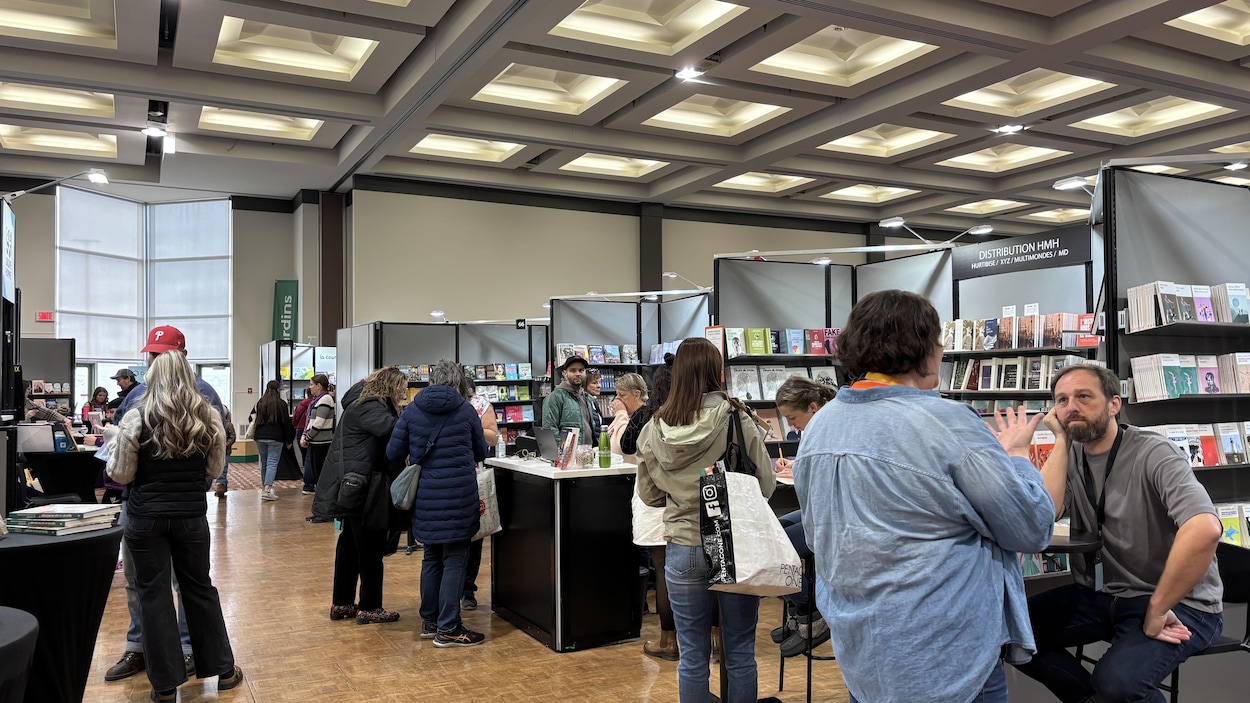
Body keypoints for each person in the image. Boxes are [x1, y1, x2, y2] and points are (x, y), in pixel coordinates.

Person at [793, 289, 1054, 703]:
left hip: (864, 647)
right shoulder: (945, 421)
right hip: (947, 652)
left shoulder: (820, 426)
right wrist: (1019, 459)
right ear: (922, 348)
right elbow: (1031, 526)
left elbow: (818, 534)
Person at [1013, 363, 1224, 703]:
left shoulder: (1154, 452)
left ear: (1114, 404)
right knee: (1010, 633)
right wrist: (1062, 439)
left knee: (1119, 685)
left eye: (1083, 397)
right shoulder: (1072, 454)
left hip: (1178, 602)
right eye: (1062, 400)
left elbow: (1205, 528)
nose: (1071, 408)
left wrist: (1157, 608)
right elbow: (1046, 513)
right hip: (1105, 595)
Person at [635, 338, 775, 702]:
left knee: (692, 654)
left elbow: (649, 496)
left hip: (682, 544)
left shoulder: (653, 427)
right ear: (717, 370)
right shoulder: (736, 417)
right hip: (730, 542)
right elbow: (766, 484)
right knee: (740, 650)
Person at [105, 351, 243, 702]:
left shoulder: (137, 417)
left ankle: (165, 687)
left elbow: (120, 474)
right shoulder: (208, 417)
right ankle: (224, 670)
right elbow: (214, 471)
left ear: (152, 377)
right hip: (191, 518)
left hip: (146, 519)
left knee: (154, 594)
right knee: (199, 588)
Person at [386, 360, 488, 647]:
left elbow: (393, 451)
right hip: (459, 496)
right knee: (456, 558)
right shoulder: (467, 411)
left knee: (431, 557)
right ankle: (450, 628)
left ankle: (429, 622)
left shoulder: (412, 410)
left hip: (426, 497)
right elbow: (481, 450)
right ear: (459, 383)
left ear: (431, 381)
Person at [314, 367, 408, 625]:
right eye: (401, 387)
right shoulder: (370, 406)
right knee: (370, 547)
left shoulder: (360, 402)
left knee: (350, 545)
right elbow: (394, 429)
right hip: (363, 487)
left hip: (353, 485)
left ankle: (342, 603)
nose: (403, 392)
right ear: (388, 385)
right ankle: (370, 606)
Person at [769, 376, 836, 658]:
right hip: (815, 507)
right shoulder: (816, 428)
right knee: (774, 530)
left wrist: (800, 468)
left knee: (774, 549)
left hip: (829, 515)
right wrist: (796, 465)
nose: (790, 425)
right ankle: (799, 609)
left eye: (793, 417)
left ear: (812, 407)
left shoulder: (830, 429)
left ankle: (811, 607)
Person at [461, 378, 500, 612]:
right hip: (449, 476)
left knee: (474, 535)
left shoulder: (480, 404)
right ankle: (451, 590)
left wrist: (473, 426)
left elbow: (493, 437)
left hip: (474, 475)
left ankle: (467, 589)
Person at [247, 380, 295, 501]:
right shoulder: (281, 404)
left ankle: (264, 489)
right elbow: (286, 424)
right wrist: (289, 440)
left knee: (264, 462)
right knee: (272, 463)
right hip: (276, 437)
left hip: (260, 437)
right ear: (278, 389)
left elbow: (250, 418)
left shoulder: (260, 403)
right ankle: (268, 489)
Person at [542, 355, 598, 444]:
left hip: (588, 453)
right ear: (565, 373)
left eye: (581, 370)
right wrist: (562, 454)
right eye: (573, 370)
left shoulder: (587, 397)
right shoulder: (555, 397)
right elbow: (550, 428)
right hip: (568, 455)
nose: (578, 374)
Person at [300, 374, 335, 496]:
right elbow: (310, 421)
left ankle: (323, 498)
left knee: (320, 472)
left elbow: (319, 423)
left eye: (311, 384)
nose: (310, 387)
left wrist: (307, 437)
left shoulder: (325, 399)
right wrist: (305, 435)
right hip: (315, 441)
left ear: (319, 386)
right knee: (315, 470)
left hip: (322, 442)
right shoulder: (317, 400)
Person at [607, 372, 646, 458]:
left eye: (622, 395)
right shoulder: (624, 415)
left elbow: (624, 444)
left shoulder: (643, 417)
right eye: (617, 394)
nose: (617, 398)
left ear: (636, 395)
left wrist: (621, 413)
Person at [585, 368, 604, 437]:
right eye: (594, 383)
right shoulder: (582, 403)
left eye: (599, 382)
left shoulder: (594, 401)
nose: (599, 386)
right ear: (584, 385)